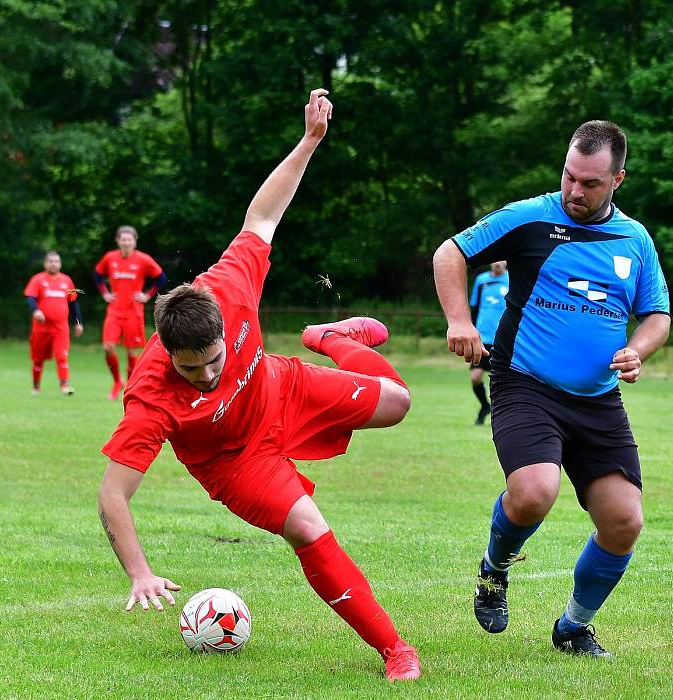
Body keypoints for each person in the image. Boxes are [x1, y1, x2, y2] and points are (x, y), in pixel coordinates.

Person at [97, 90, 420, 682]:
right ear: (168, 352)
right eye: (191, 369)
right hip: (235, 463)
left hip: (281, 389)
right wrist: (140, 572)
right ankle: (395, 650)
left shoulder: (230, 283)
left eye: (213, 360)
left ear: (223, 324)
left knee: (399, 403)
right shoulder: (150, 393)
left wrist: (310, 140)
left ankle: (328, 337)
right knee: (308, 527)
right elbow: (113, 495)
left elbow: (262, 216)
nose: (207, 375)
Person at [433, 120, 670, 657]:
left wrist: (640, 349)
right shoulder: (529, 218)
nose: (574, 191)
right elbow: (449, 253)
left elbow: (657, 313)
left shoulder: (634, 240)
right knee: (535, 492)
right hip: (525, 384)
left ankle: (573, 627)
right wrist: (460, 322)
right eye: (569, 177)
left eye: (589, 183)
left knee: (623, 521)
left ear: (618, 180)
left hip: (598, 399)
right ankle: (494, 570)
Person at [94, 225, 167, 400]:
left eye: (129, 239)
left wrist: (147, 295)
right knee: (108, 347)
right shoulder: (110, 258)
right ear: (118, 241)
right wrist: (105, 293)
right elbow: (97, 275)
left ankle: (130, 388)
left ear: (135, 241)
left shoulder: (143, 259)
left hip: (134, 313)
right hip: (114, 311)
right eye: (123, 239)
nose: (126, 242)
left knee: (132, 353)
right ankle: (117, 382)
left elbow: (161, 277)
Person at [23, 251, 84, 395]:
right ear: (45, 264)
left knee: (62, 356)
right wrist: (36, 311)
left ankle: (64, 386)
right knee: (38, 359)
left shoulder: (66, 280)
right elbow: (30, 297)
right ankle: (36, 387)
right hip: (41, 328)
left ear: (60, 264)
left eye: (56, 261)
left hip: (60, 328)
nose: (54, 264)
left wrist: (78, 322)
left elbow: (73, 302)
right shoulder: (38, 279)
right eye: (51, 261)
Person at [469, 261, 508, 425]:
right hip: (482, 337)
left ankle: (502, 416)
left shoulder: (513, 280)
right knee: (475, 377)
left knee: (500, 380)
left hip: (504, 338)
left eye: (501, 260)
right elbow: (474, 307)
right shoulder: (481, 280)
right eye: (495, 260)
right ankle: (485, 406)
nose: (497, 264)